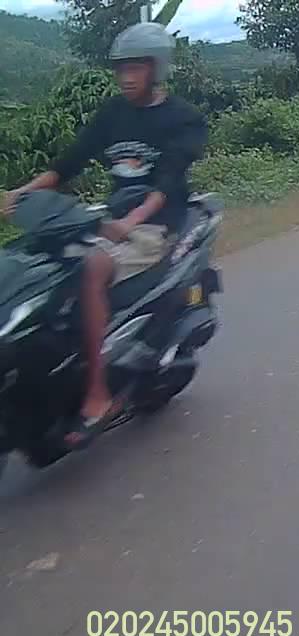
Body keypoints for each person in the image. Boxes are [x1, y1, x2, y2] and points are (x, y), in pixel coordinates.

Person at [2, 22, 208, 449]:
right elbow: (66, 166)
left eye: (136, 68)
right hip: (110, 216)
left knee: (92, 267)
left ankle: (98, 395)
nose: (126, 77)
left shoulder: (182, 118)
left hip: (154, 225)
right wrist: (20, 194)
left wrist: (131, 222)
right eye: (121, 69)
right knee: (26, 259)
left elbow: (166, 183)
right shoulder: (113, 113)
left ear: (157, 68)